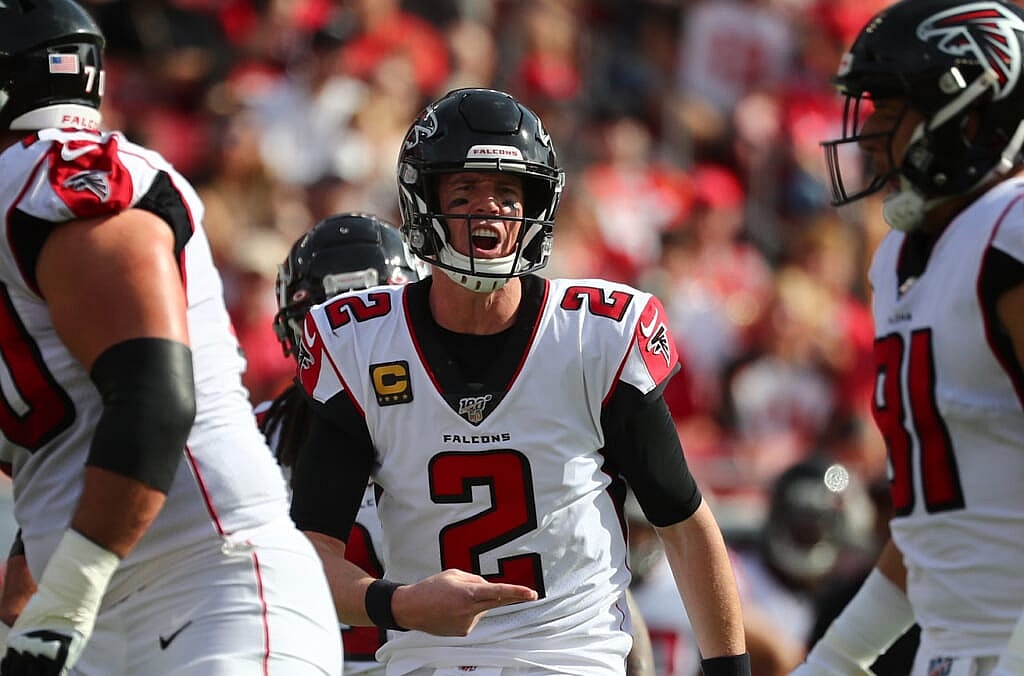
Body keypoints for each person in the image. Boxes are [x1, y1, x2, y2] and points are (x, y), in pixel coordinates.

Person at [288, 86, 750, 675]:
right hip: (427, 658)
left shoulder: (595, 336)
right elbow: (311, 555)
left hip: (570, 657)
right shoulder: (359, 343)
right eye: (464, 193)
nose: (489, 211)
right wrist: (399, 604)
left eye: (507, 193)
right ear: (423, 202)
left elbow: (683, 525)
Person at [0, 1, 343, 673]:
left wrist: (63, 601)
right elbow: (72, 423)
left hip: (209, 588)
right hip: (99, 607)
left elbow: (152, 399)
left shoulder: (58, 175)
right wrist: (33, 569)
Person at [793, 0, 1024, 674]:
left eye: (890, 107)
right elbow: (936, 524)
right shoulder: (900, 257)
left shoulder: (1010, 233)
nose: (868, 133)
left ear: (971, 118)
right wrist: (838, 657)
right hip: (952, 652)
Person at [258, 211, 425, 675]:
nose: (348, 348)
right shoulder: (256, 438)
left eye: (371, 325)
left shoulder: (258, 436)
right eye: (329, 328)